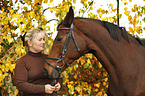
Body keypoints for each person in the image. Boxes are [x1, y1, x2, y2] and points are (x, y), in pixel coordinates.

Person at [14, 29, 61, 96]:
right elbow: (21, 84)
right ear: (30, 43)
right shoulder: (22, 62)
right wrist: (43, 89)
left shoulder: (49, 59)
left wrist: (58, 84)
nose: (43, 42)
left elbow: (59, 76)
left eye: (43, 39)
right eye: (40, 40)